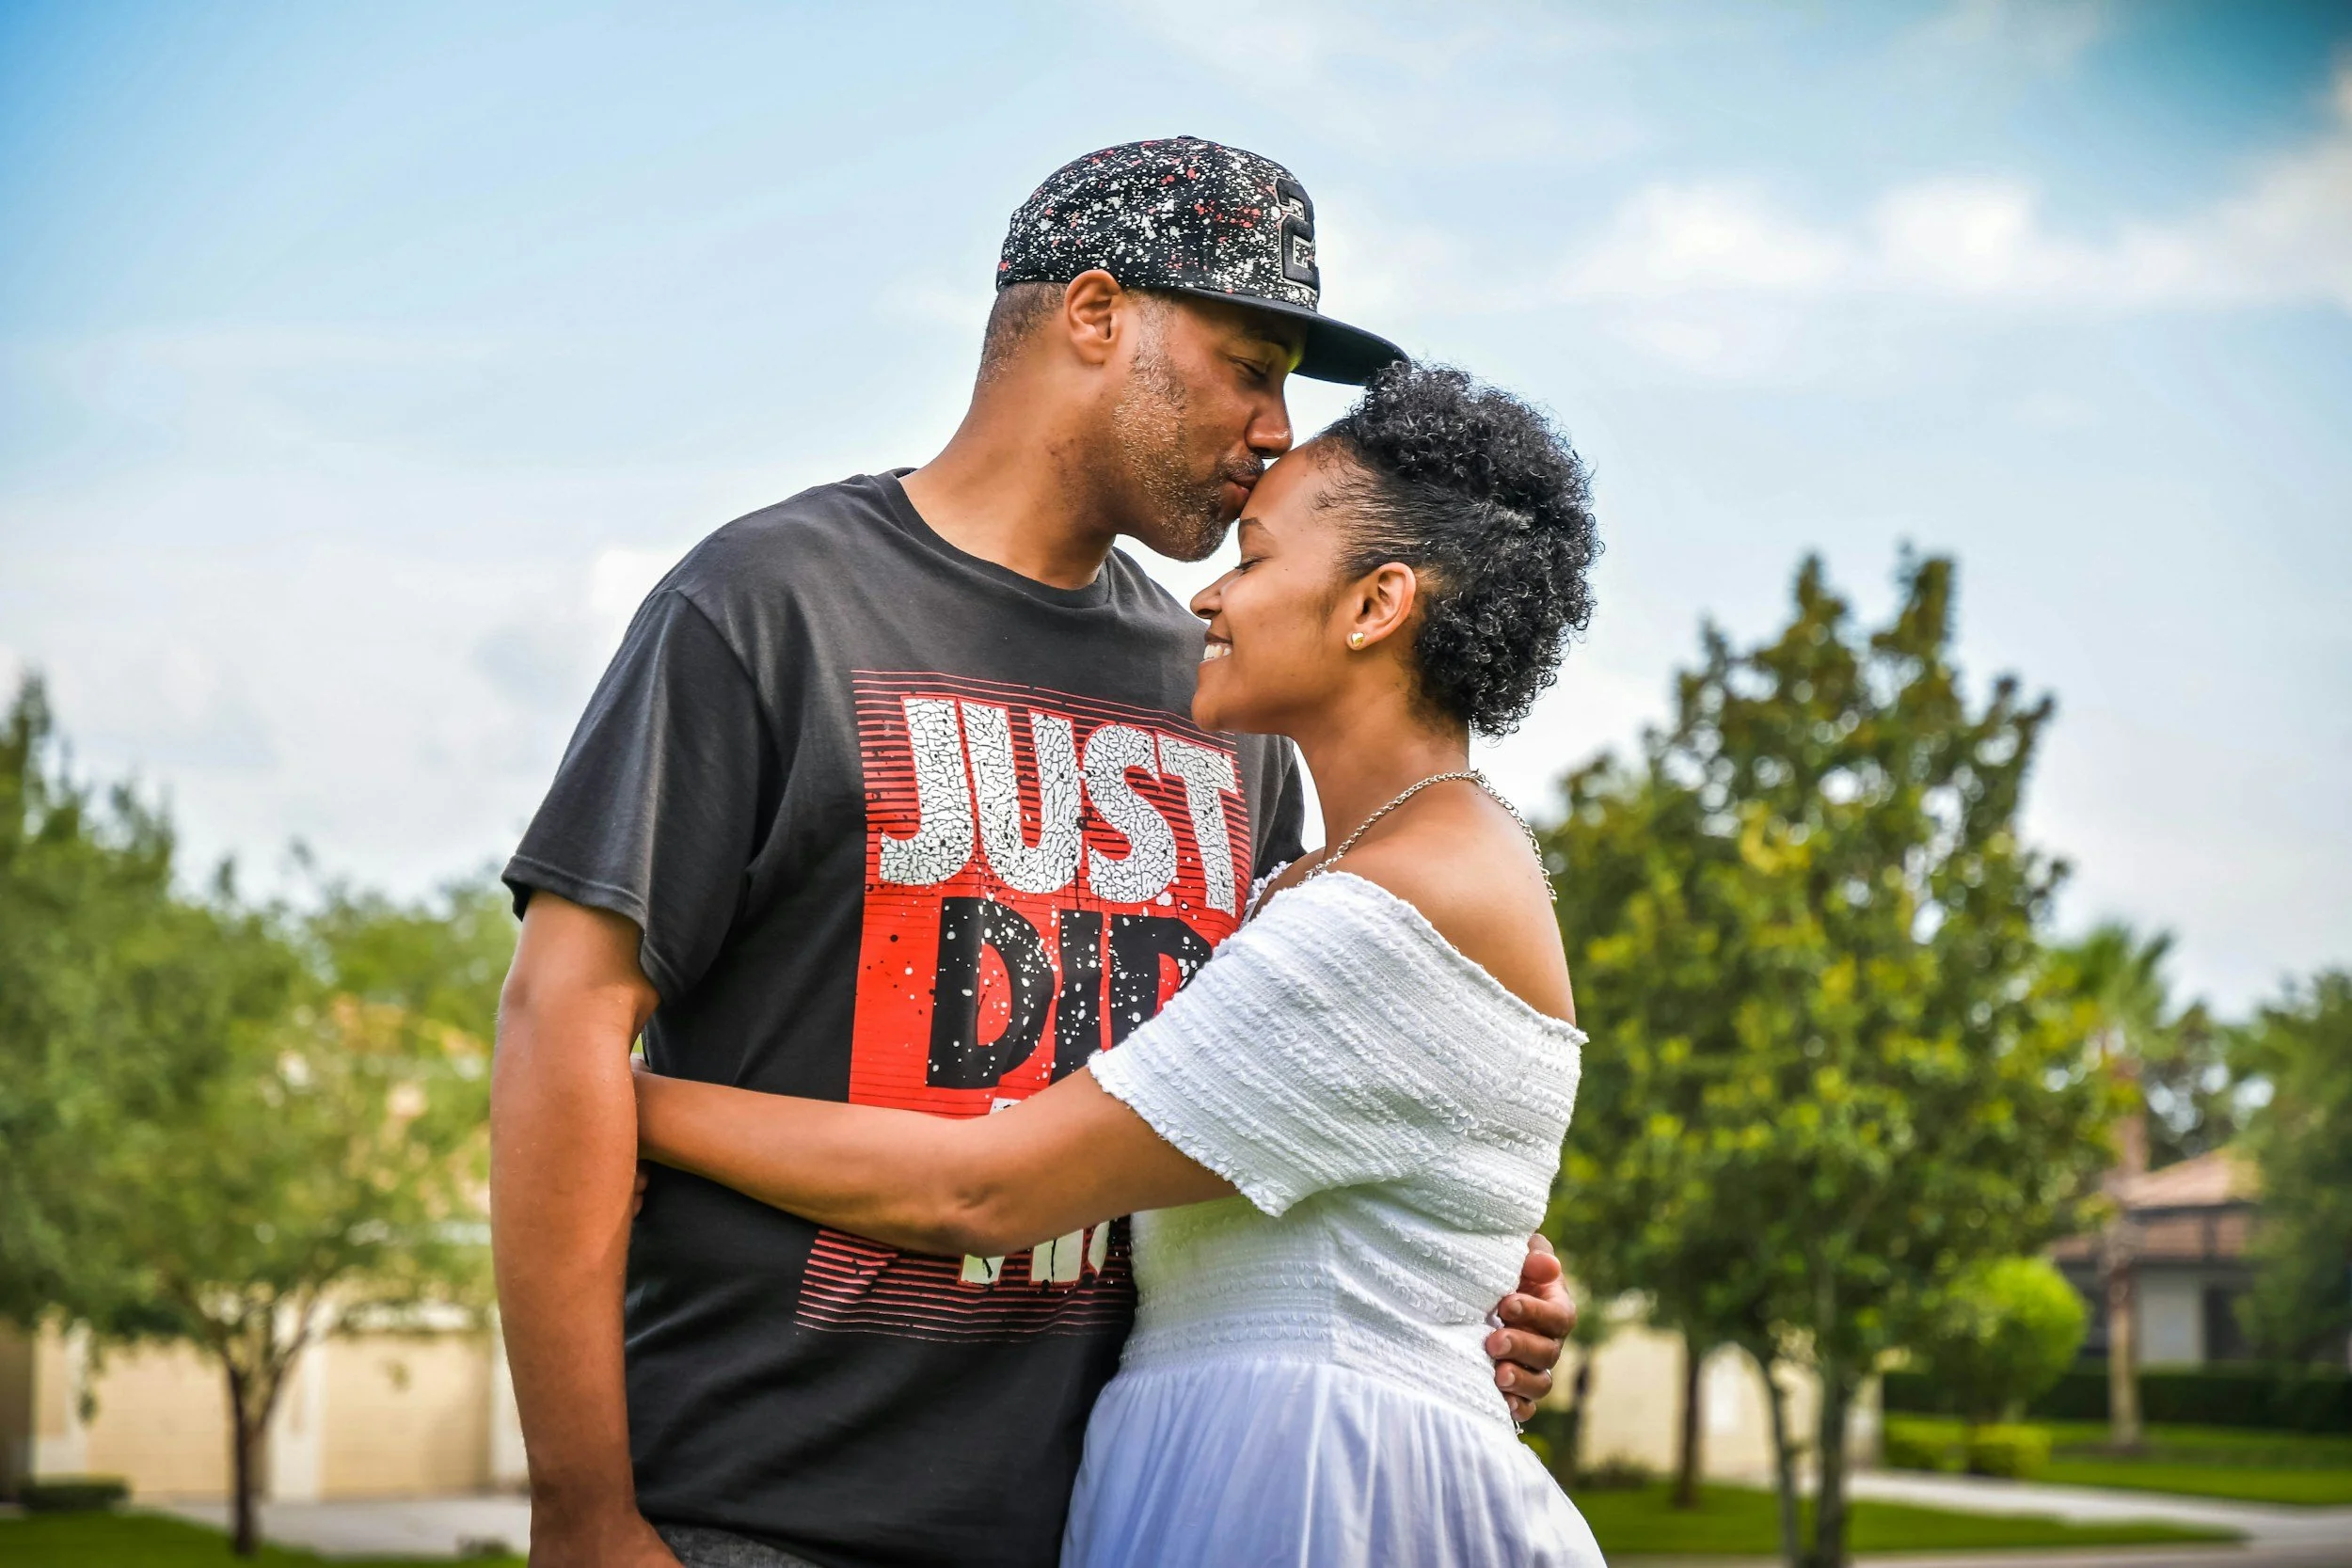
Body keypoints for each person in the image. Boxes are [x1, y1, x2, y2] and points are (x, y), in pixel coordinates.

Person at [492, 136, 1576, 1568]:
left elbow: (1262, 1091)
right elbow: (561, 1018)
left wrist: (1449, 1274)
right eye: (1250, 363)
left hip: (1098, 1515)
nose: (1273, 426)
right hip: (757, 1510)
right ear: (1094, 315)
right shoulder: (770, 603)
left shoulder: (1225, 698)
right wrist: (582, 1511)